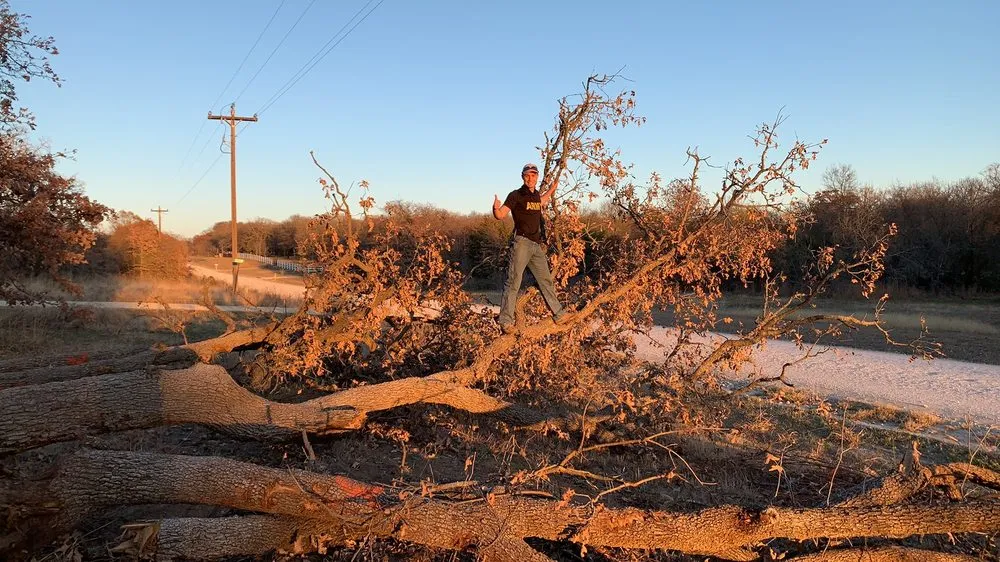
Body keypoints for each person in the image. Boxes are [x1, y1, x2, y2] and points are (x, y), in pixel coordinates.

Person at [492, 162, 573, 333]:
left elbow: (541, 201)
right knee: (513, 281)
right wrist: (495, 207)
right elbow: (500, 215)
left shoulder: (535, 195)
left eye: (534, 175)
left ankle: (559, 314)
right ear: (523, 177)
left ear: (537, 177)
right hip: (521, 243)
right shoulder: (515, 195)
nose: (530, 178)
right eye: (527, 175)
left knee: (546, 280)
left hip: (536, 246)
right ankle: (505, 321)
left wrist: (552, 189)